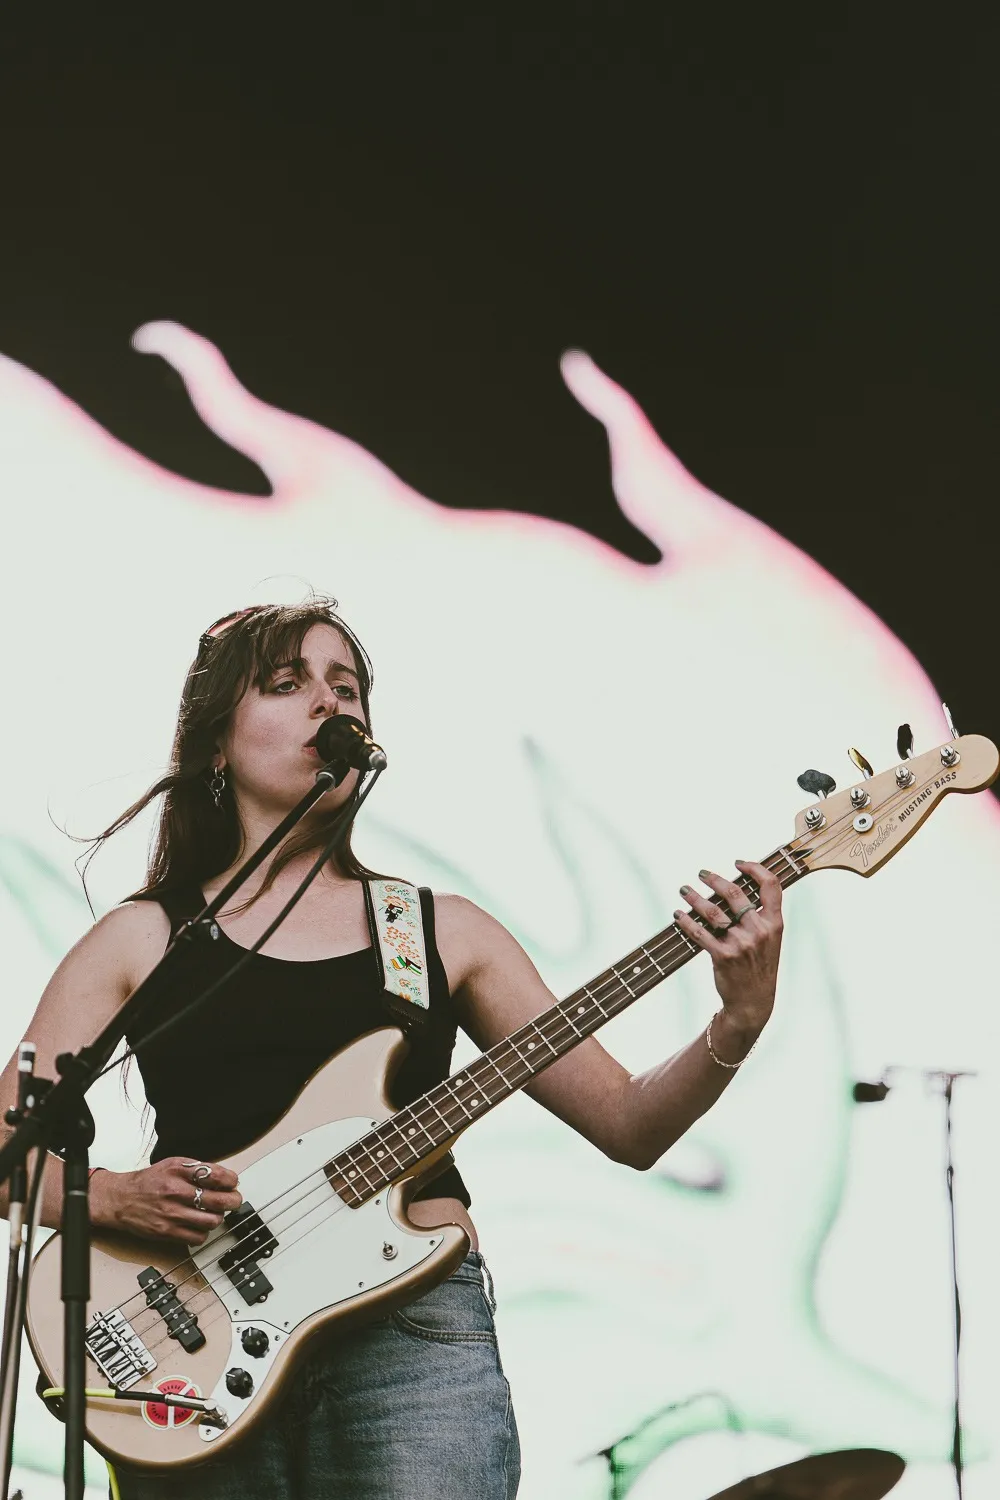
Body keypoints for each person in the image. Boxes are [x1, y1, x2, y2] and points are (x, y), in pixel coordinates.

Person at [0, 598, 784, 1499]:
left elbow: (628, 1123)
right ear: (216, 744)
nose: (328, 704)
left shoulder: (438, 931)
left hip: (410, 1336)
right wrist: (113, 1196)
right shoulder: (147, 936)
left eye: (346, 688)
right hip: (192, 1337)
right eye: (287, 684)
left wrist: (736, 1024)